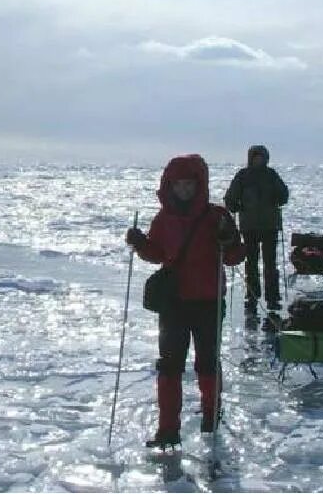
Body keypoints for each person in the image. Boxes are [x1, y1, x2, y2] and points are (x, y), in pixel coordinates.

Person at [125, 154, 245, 448]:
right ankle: (168, 429)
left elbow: (235, 257)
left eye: (189, 184)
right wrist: (141, 244)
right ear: (169, 185)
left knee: (207, 363)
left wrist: (228, 240)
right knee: (170, 366)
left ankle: (211, 415)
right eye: (178, 184)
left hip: (208, 301)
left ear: (199, 185)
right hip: (174, 302)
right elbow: (158, 254)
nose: (184, 190)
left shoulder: (216, 216)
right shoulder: (163, 219)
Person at [224, 145, 289, 315]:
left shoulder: (271, 175)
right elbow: (230, 197)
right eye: (255, 157)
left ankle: (273, 297)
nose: (258, 160)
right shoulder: (243, 176)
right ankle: (252, 295)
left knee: (270, 263)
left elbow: (284, 194)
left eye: (261, 157)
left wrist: (279, 197)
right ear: (251, 158)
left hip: (270, 225)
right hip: (249, 226)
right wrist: (234, 206)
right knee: (251, 262)